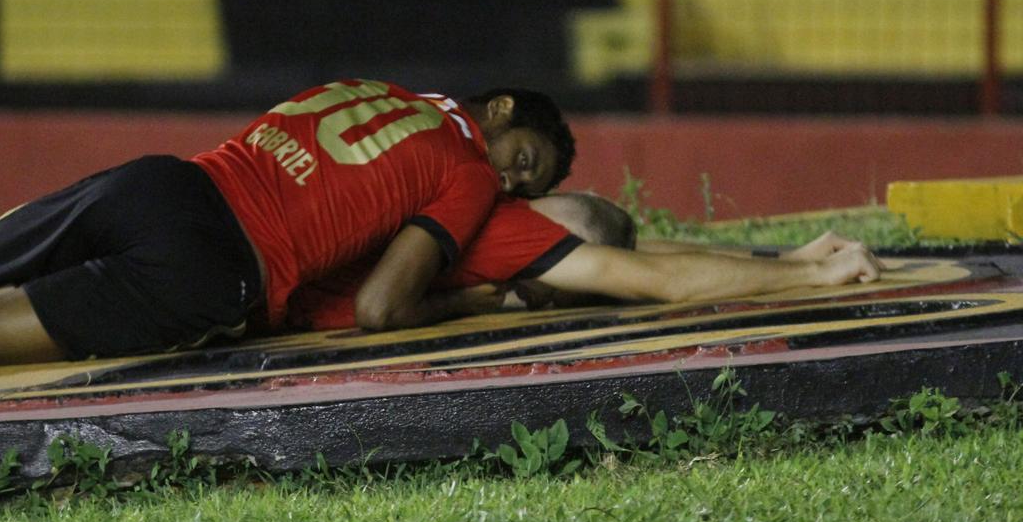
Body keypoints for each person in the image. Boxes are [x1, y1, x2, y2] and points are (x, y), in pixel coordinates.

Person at [0, 79, 576, 382]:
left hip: (165, 183)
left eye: (525, 186)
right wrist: (478, 302)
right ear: (501, 110)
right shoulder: (469, 169)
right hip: (213, 268)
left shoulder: (379, 90)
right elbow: (382, 309)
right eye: (524, 163)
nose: (510, 185)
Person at [284, 192, 882, 331]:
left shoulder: (477, 206)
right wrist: (810, 275)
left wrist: (777, 256)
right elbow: (659, 280)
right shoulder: (510, 239)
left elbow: (638, 257)